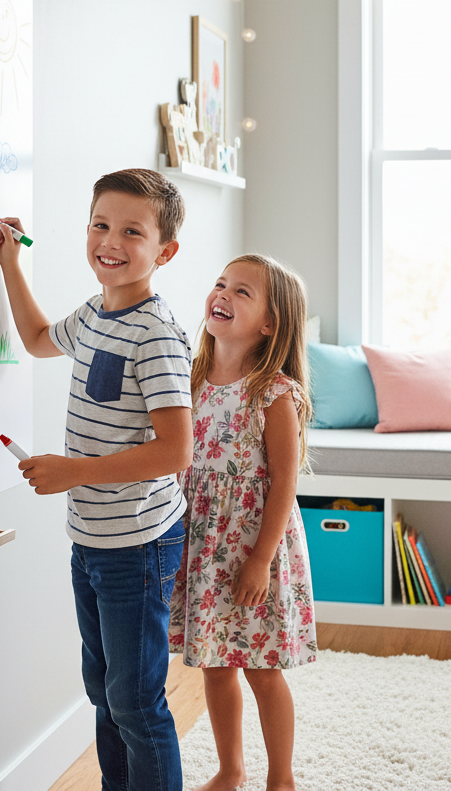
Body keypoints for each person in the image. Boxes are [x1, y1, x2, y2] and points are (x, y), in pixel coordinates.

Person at [0, 168, 194, 791]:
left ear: (164, 252)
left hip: (137, 544)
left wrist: (73, 472)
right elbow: (34, 338)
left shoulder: (157, 335)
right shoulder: (94, 316)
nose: (110, 240)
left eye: (131, 231)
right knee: (105, 693)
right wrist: (7, 261)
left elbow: (176, 451)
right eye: (100, 224)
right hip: (93, 539)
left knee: (135, 701)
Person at [169, 254, 317, 791]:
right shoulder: (192, 379)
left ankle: (282, 778)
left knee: (260, 668)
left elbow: (284, 485)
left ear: (271, 323)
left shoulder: (274, 392)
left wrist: (259, 560)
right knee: (214, 665)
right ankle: (230, 770)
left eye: (242, 292)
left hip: (256, 548)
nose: (223, 295)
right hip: (206, 544)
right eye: (220, 284)